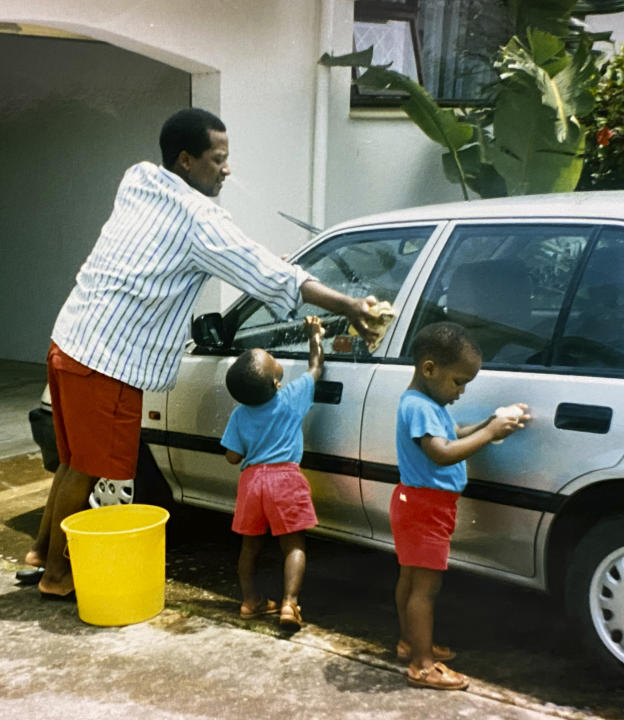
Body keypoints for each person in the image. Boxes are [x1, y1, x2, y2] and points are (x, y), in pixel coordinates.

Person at [25, 107, 382, 597]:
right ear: (187, 161)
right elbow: (260, 269)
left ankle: (41, 554)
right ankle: (57, 577)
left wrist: (253, 263)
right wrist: (349, 303)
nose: (227, 170)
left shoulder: (139, 180)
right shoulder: (200, 220)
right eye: (218, 159)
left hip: (72, 339)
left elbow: (240, 260)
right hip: (105, 359)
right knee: (85, 470)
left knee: (71, 464)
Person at [392, 321, 529, 690]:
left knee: (410, 578)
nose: (462, 391)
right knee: (425, 588)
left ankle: (410, 641)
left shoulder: (424, 402)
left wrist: (492, 422)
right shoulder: (420, 407)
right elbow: (441, 453)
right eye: (458, 381)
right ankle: (423, 664)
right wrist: (489, 435)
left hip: (416, 502)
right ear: (430, 368)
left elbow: (452, 435)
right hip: (426, 507)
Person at [221, 316, 325, 630]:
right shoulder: (291, 398)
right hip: (286, 480)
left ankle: (250, 600)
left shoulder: (239, 414)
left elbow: (232, 456)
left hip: (252, 482)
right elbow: (315, 368)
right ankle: (290, 604)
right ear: (276, 383)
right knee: (293, 545)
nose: (276, 360)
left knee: (249, 546)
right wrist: (314, 336)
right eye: (274, 362)